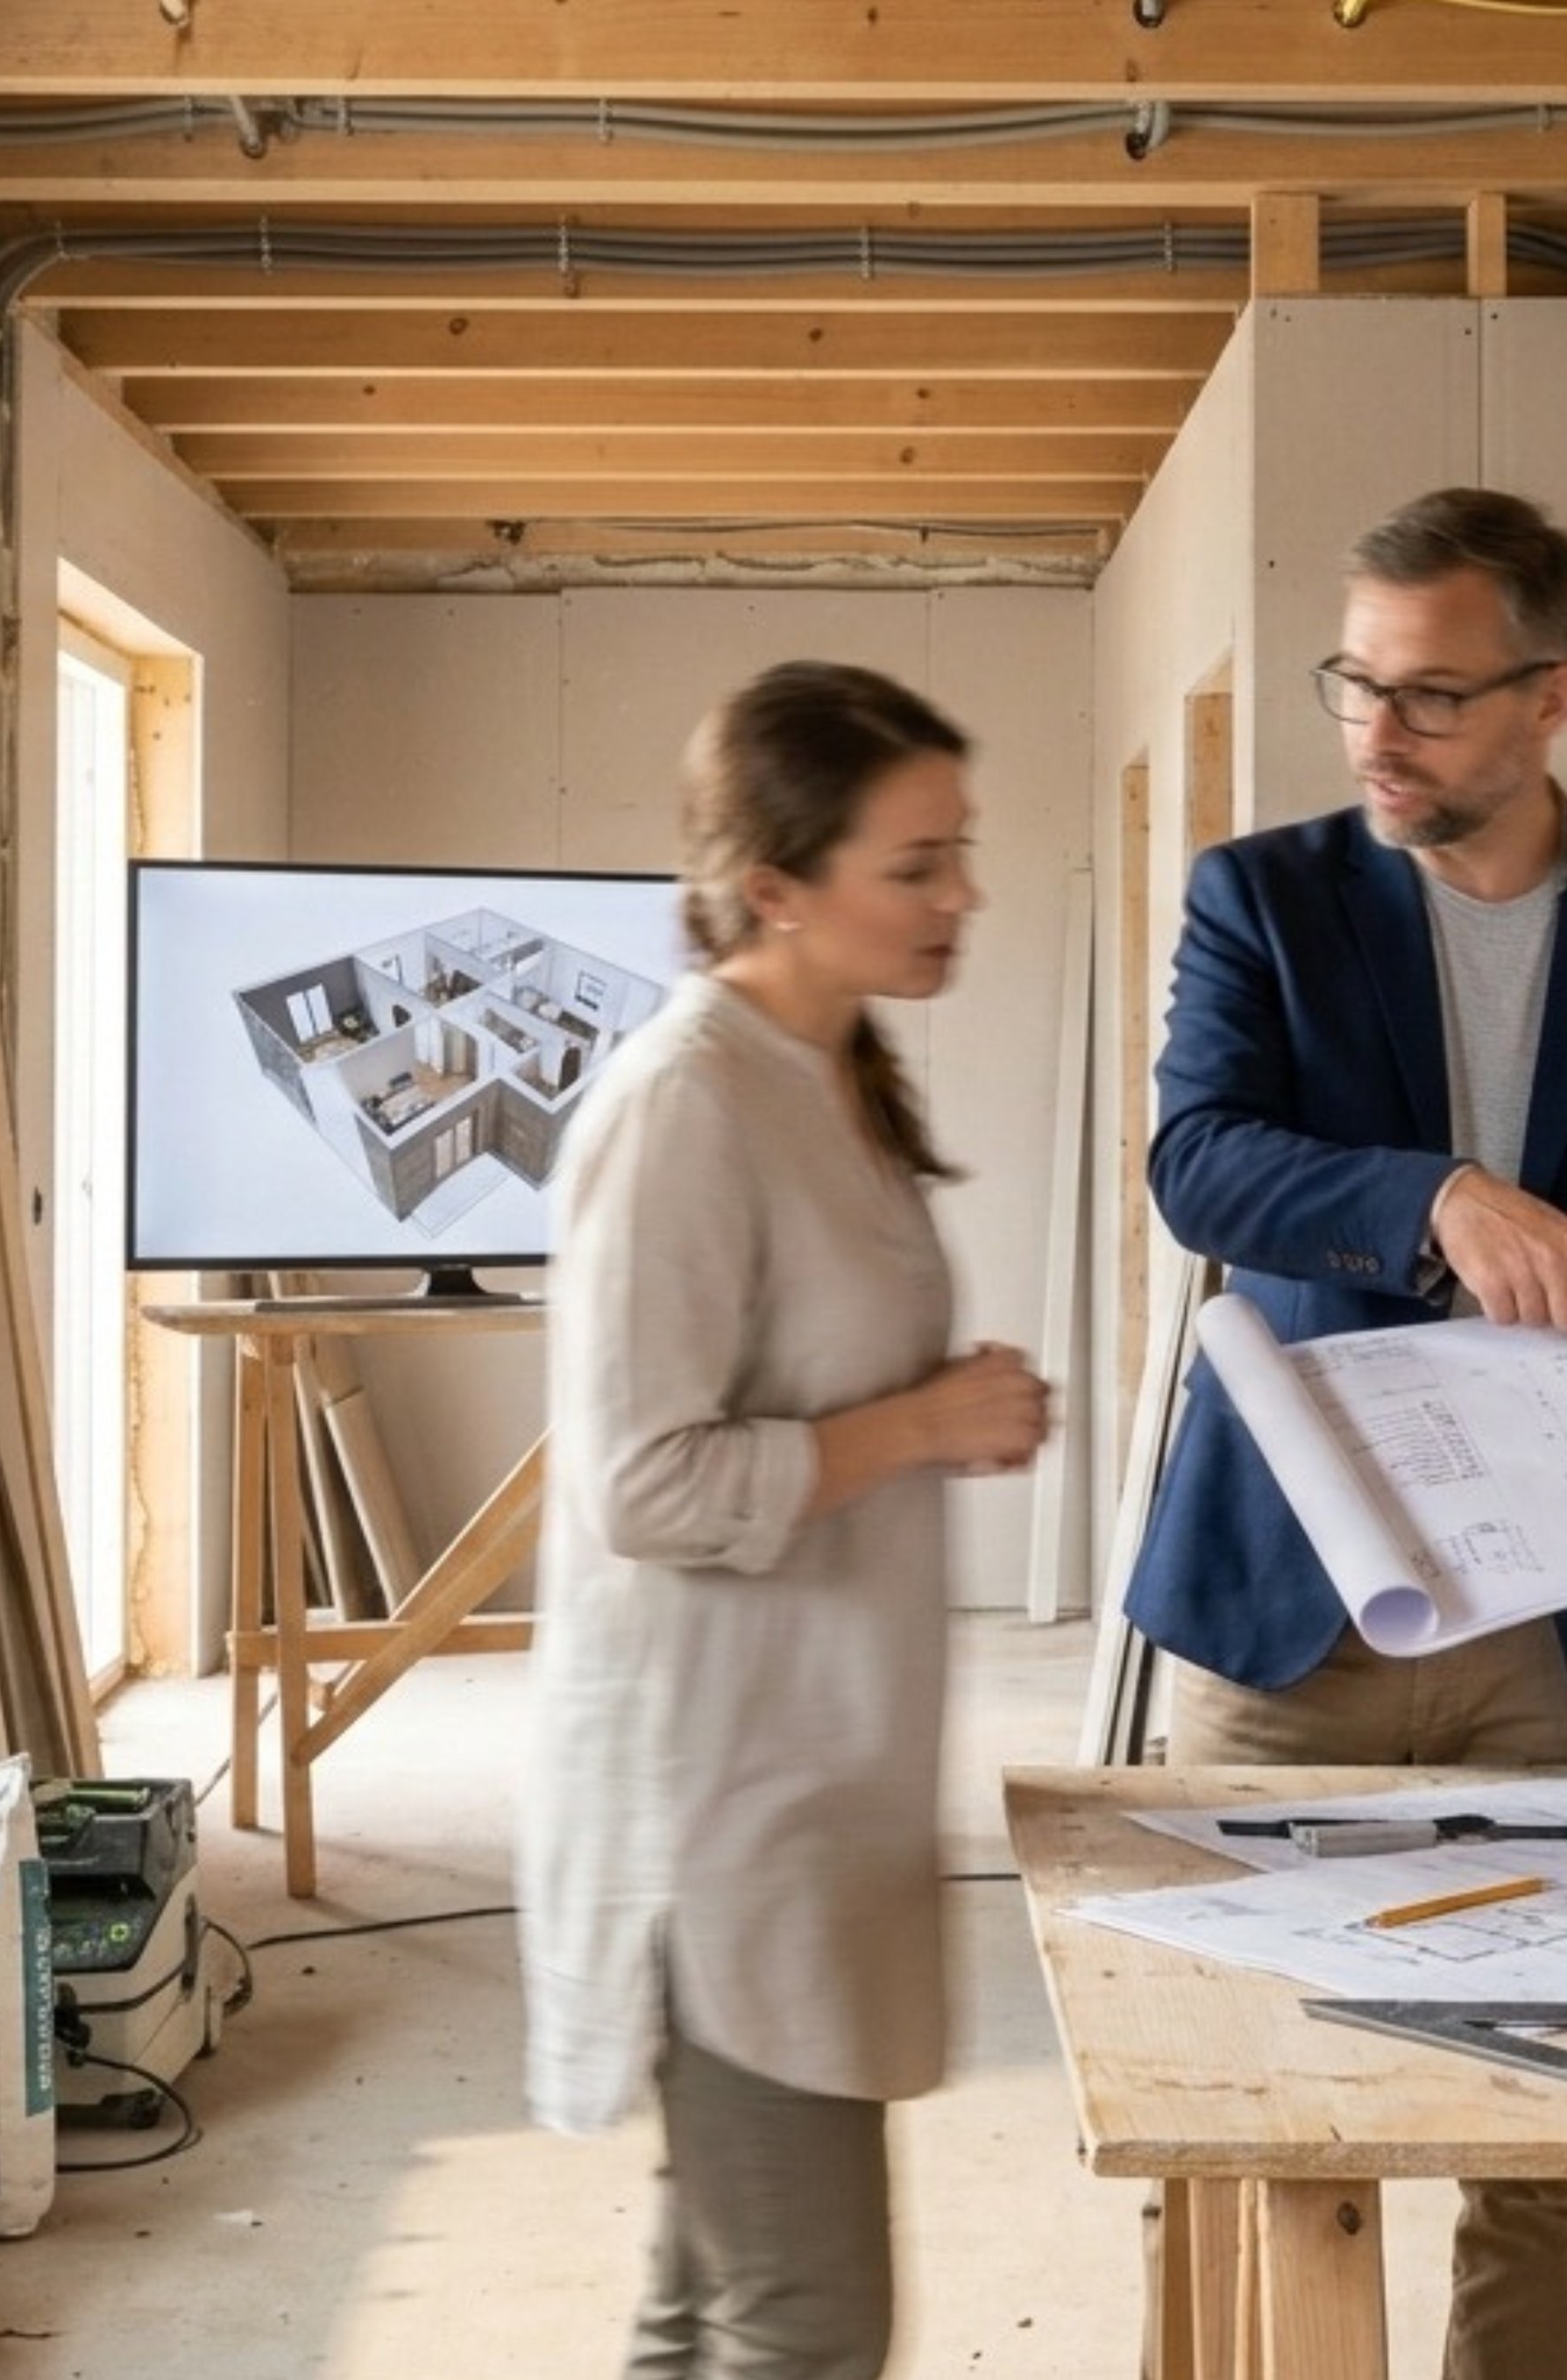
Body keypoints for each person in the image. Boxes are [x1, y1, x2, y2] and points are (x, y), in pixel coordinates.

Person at [519, 658, 1052, 2380]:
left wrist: (926, 1419)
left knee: (713, 2306)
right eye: (915, 863)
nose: (962, 892)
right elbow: (644, 1481)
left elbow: (807, 1392)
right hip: (721, 1806)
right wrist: (917, 1419)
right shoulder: (685, 1101)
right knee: (807, 2321)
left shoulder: (833, 1072)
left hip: (821, 1778)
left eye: (958, 849)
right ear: (775, 886)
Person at [1124, 485, 1567, 2380]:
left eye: (1431, 698)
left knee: (1549, 2150)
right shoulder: (1265, 892)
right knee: (1234, 2112)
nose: (1376, 736)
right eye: (1353, 687)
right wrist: (1434, 1189)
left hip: (1543, 1634)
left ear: (1551, 696)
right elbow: (1196, 1157)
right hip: (1291, 1614)